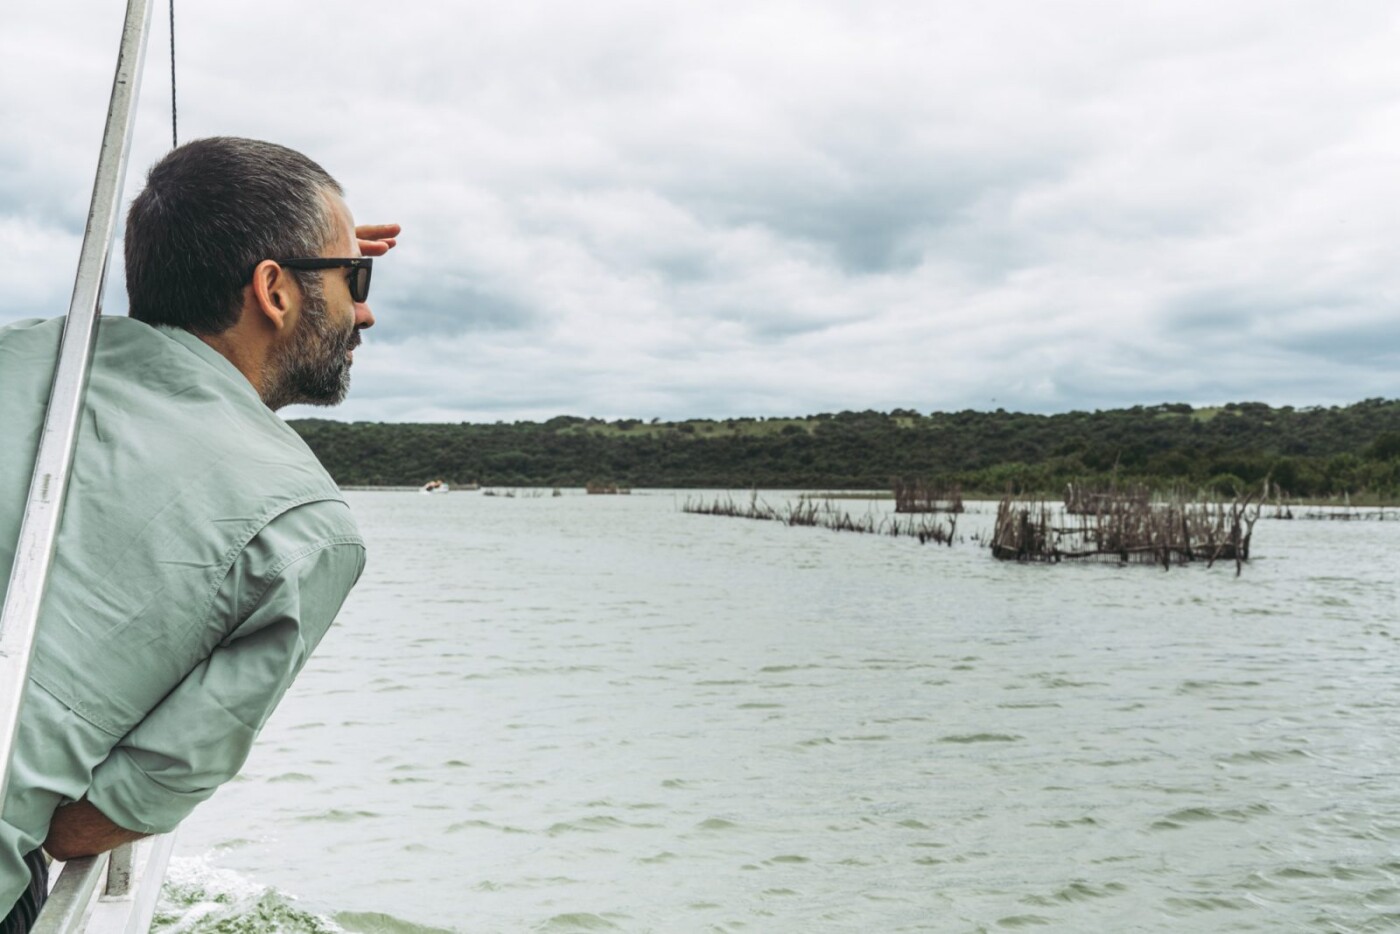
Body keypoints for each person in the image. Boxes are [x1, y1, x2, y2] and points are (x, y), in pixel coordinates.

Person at [0, 137, 398, 931]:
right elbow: (95, 820)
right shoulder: (306, 529)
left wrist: (325, 254)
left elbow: (210, 215)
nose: (366, 311)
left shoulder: (19, 354)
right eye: (355, 281)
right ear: (274, 291)